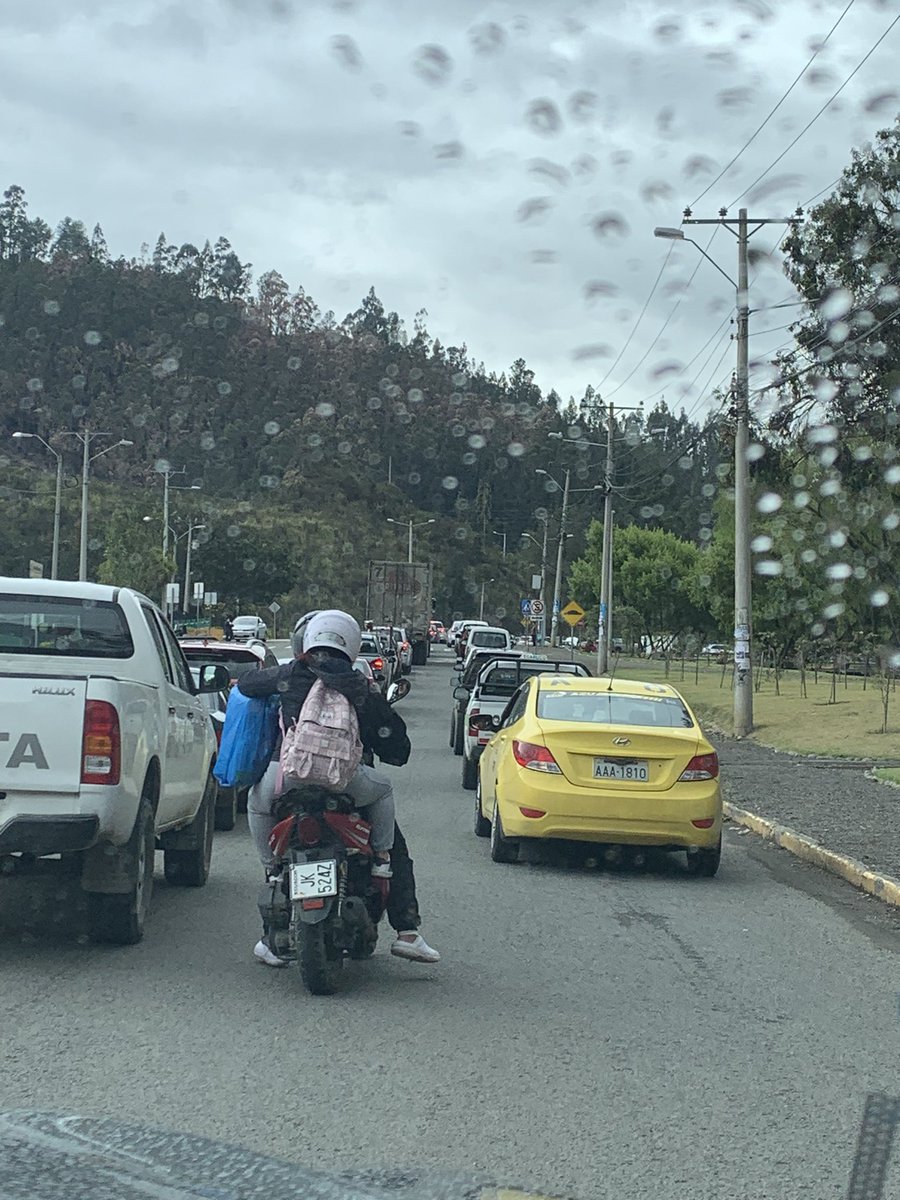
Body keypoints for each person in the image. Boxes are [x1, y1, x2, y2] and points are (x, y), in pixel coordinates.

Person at [238, 609, 440, 968]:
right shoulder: (360, 686)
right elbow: (396, 743)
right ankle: (404, 926)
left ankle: (270, 874)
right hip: (344, 782)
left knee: (256, 803)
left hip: (287, 780)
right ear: (350, 642)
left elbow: (246, 686)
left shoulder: (289, 674)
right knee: (387, 810)